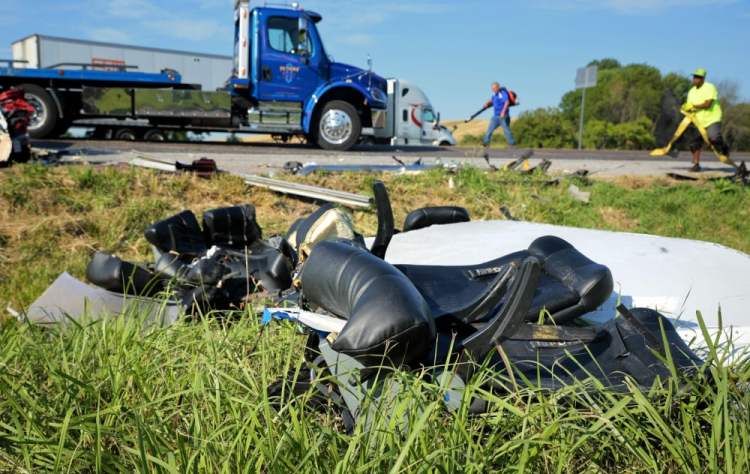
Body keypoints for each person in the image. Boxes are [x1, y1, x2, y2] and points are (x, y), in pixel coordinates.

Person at [684, 69, 728, 172]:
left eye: (697, 77)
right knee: (694, 142)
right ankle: (696, 165)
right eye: (694, 77)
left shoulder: (709, 87)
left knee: (713, 138)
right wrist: (686, 108)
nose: (694, 79)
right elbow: (690, 107)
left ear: (703, 79)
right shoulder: (691, 91)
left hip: (712, 118)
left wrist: (693, 106)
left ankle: (722, 146)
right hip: (698, 120)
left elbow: (708, 104)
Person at [482, 82, 515, 148]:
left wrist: (503, 112)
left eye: (494, 88)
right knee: (489, 130)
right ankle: (486, 143)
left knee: (506, 130)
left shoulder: (502, 93)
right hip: (496, 116)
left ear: (498, 87)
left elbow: (507, 102)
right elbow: (492, 100)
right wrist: (486, 103)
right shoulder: (495, 94)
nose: (493, 89)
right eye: (492, 88)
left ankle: (512, 144)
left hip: (503, 116)